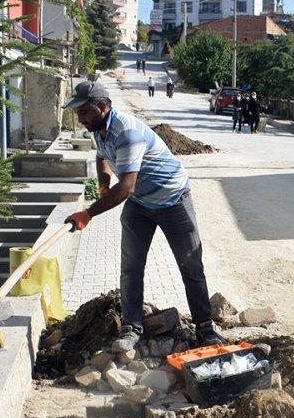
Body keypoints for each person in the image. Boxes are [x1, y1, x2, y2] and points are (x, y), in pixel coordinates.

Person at [61, 81, 225, 352]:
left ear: (102, 107)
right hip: (140, 204)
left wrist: (88, 213)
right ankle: (131, 326)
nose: (80, 117)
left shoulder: (126, 132)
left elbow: (125, 188)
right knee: (131, 266)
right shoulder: (98, 129)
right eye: (77, 112)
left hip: (173, 200)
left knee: (190, 264)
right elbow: (102, 157)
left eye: (83, 111)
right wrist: (103, 185)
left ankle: (205, 326)